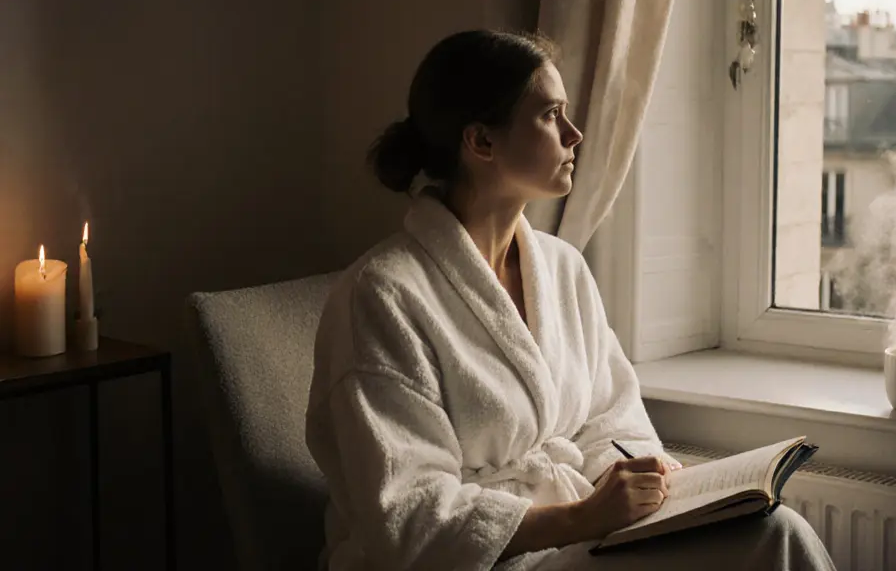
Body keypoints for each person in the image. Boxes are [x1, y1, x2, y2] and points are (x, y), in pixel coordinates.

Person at [305, 30, 836, 571]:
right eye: (550, 114)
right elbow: (411, 518)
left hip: (574, 536)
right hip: (474, 561)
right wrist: (583, 517)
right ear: (482, 142)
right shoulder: (382, 296)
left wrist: (644, 483)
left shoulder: (562, 269)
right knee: (769, 542)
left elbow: (612, 421)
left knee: (775, 528)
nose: (574, 134)